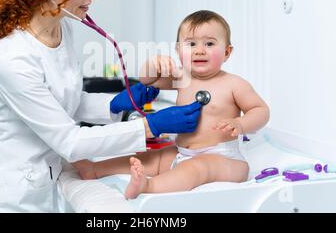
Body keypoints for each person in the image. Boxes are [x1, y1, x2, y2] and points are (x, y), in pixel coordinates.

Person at [0, 0, 202, 212]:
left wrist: (117, 103)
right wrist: (151, 125)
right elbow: (70, 140)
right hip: (11, 194)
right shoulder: (11, 58)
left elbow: (66, 101)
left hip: (48, 178)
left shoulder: (61, 28)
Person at [73, 10, 270, 199]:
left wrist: (241, 124)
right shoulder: (182, 77)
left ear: (227, 52)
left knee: (197, 168)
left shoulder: (233, 84)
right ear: (178, 51)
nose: (200, 50)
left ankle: (148, 185)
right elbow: (148, 80)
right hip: (182, 152)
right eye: (191, 44)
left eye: (209, 43)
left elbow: (260, 110)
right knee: (152, 158)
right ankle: (96, 169)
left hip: (222, 157)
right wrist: (154, 64)